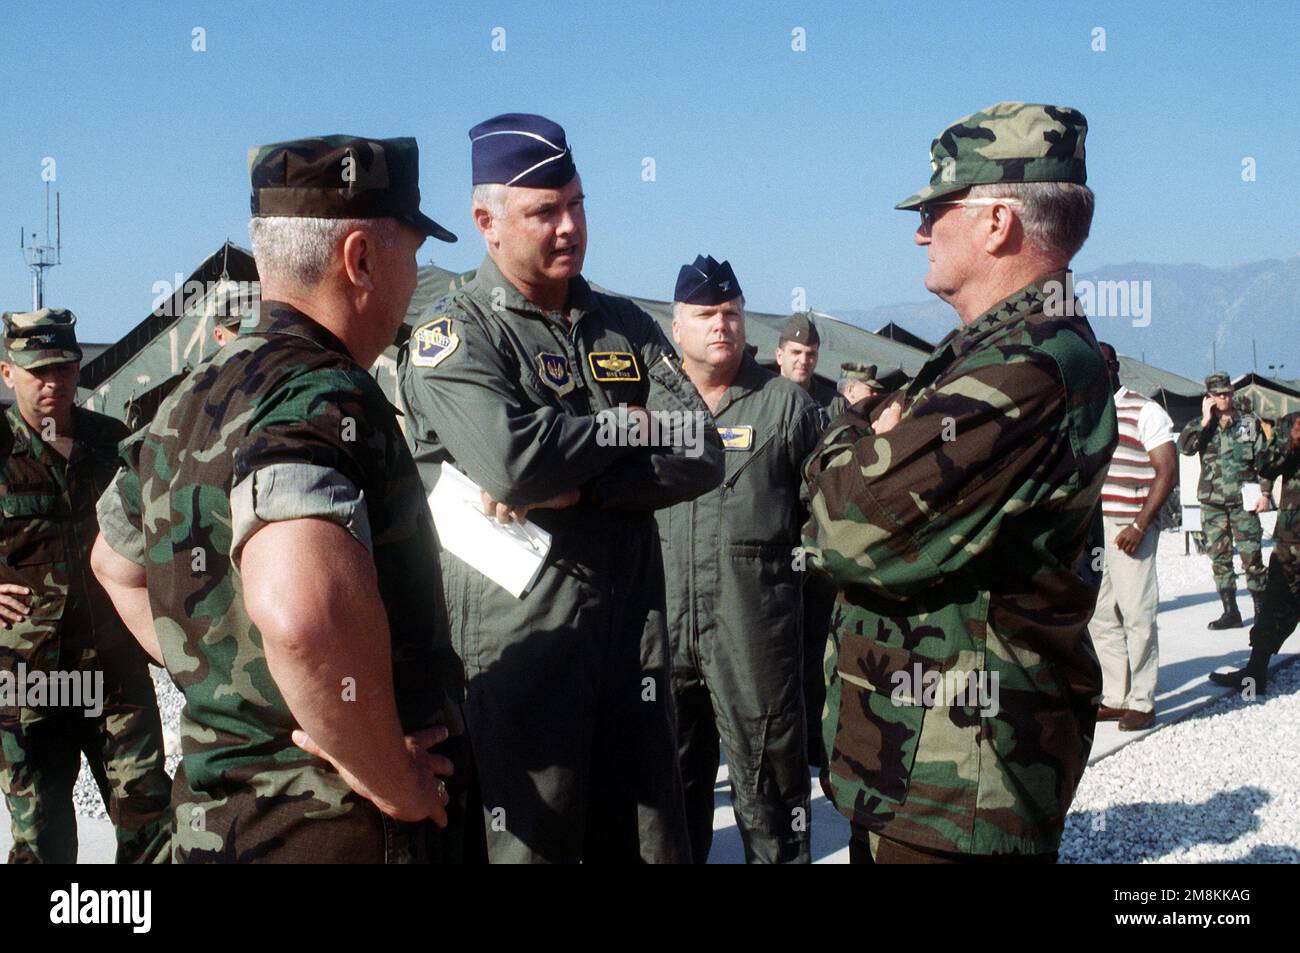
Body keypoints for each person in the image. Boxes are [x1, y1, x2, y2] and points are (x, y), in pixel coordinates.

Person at [92, 135, 467, 863]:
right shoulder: (323, 394)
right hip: (338, 832)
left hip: (216, 826)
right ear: (360, 259)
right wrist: (389, 776)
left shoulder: (189, 397)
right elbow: (303, 614)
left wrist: (239, 688)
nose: (415, 276)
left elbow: (115, 563)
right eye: (412, 254)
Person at [397, 113, 723, 863]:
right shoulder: (458, 333)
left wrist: (586, 492)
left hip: (634, 648)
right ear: (486, 222)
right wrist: (628, 427)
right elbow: (513, 463)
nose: (570, 227)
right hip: (525, 648)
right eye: (545, 212)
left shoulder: (621, 323)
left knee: (649, 848)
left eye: (577, 204)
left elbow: (702, 448)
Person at [804, 102, 1115, 863]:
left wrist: (845, 432)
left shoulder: (1028, 366)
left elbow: (846, 527)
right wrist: (874, 439)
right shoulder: (991, 350)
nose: (920, 233)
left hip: (961, 788)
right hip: (916, 769)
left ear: (997, 223)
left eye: (935, 211)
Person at [658, 254, 820, 863]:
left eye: (731, 313)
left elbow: (826, 518)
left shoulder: (785, 407)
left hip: (754, 636)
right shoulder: (649, 408)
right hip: (662, 631)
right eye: (705, 315)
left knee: (769, 788)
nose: (720, 325)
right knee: (666, 795)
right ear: (677, 327)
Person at [0, 307, 171, 863]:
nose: (53, 383)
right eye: (38, 371)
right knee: (42, 840)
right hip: (29, 683)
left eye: (64, 368)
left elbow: (156, 530)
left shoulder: (111, 441)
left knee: (150, 822)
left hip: (114, 671)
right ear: (8, 373)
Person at [1089, 343, 1178, 732]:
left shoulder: (1145, 410)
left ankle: (1142, 701)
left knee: (1137, 614)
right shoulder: (1089, 411)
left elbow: (1167, 471)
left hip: (1130, 527)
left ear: (1114, 368)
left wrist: (1140, 525)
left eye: (1102, 365)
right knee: (1100, 614)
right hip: (1096, 527)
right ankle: (1115, 695)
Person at [1210, 411, 1300, 693]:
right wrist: (1290, 443)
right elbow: (1266, 466)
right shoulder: (1293, 423)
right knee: (1276, 602)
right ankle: (1254, 675)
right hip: (1294, 539)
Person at [1176, 373, 1272, 628]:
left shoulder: (1248, 423)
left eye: (1227, 393)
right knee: (1220, 558)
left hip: (1244, 502)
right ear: (1208, 397)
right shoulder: (1201, 425)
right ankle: (1231, 612)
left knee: (1252, 557)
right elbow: (1184, 448)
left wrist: (1265, 494)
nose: (1224, 398)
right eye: (1218, 394)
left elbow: (1264, 460)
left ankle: (1261, 612)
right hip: (1213, 503)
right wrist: (1204, 421)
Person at [775, 313, 837, 409]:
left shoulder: (835, 405)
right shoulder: (761, 399)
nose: (803, 361)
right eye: (796, 352)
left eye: (811, 354)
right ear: (779, 356)